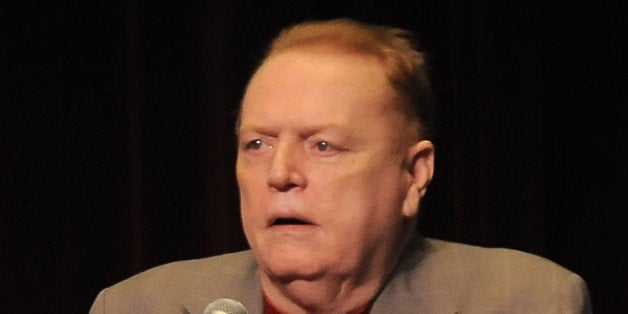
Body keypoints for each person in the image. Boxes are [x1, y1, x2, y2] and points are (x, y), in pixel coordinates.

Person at [90, 18, 591, 313]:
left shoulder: (525, 301)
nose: (280, 173)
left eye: (323, 145)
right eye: (258, 144)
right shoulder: (138, 305)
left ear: (415, 174)